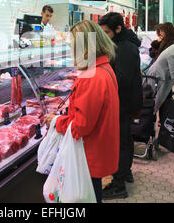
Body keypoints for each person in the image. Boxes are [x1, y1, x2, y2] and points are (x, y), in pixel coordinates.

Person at [44, 20, 119, 203]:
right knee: (92, 195)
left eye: (73, 45)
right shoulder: (104, 69)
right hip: (98, 149)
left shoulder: (91, 77)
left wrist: (56, 121)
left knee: (86, 196)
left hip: (88, 155)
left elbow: (81, 127)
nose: (71, 50)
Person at [98, 12, 143, 199]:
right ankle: (126, 173)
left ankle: (118, 185)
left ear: (118, 29)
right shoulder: (122, 43)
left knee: (121, 142)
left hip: (123, 102)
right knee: (125, 139)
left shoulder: (126, 47)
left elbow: (122, 79)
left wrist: (101, 75)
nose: (105, 36)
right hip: (126, 101)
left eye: (107, 32)